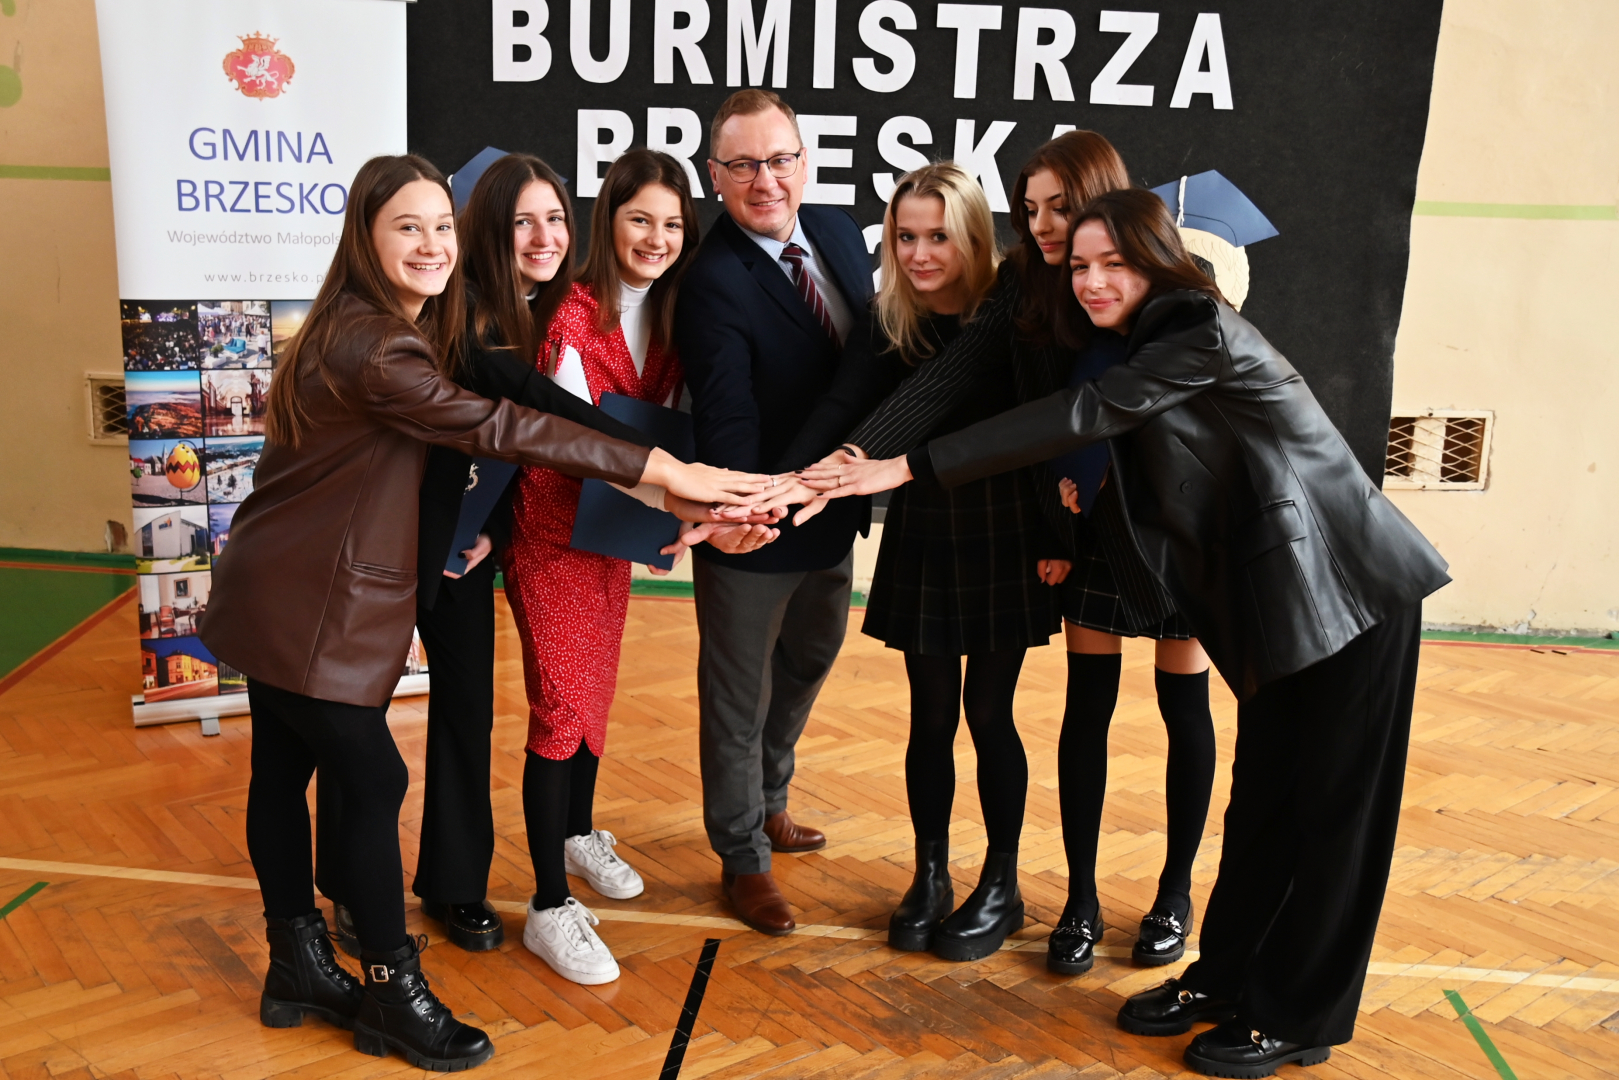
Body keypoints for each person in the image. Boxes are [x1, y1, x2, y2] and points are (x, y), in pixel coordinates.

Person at [800, 188, 1449, 1078]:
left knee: (1334, 820)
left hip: (1356, 594)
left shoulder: (1197, 329)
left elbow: (1084, 415)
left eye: (1115, 263)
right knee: (1260, 806)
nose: (1092, 280)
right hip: (1280, 608)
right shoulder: (1131, 343)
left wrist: (906, 466)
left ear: (1159, 262)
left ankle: (1297, 1018)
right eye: (1079, 265)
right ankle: (1223, 980)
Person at [200, 153, 766, 1072]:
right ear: (365, 237)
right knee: (373, 779)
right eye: (407, 227)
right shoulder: (377, 345)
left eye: (441, 227)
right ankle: (392, 993)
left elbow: (512, 405)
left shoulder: (385, 322)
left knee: (282, 774)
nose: (432, 245)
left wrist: (662, 480)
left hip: (273, 588)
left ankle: (296, 966)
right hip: (310, 607)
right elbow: (502, 426)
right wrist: (664, 469)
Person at [774, 131, 1217, 976]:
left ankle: (1170, 895)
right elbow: (949, 386)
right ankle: (1070, 899)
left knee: (1176, 709)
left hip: (1168, 524)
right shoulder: (1023, 284)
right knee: (1070, 712)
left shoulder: (1174, 296)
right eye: (1031, 208)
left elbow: (1113, 418)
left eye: (1061, 208)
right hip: (1078, 521)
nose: (1043, 225)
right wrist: (843, 468)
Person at [321, 153, 743, 960]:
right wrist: (666, 471)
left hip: (461, 544)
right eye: (523, 221)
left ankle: (453, 884)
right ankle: (346, 886)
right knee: (357, 716)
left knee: (467, 712)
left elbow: (517, 444)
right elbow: (538, 414)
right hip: (383, 542)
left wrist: (489, 524)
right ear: (487, 230)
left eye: (554, 218)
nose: (545, 236)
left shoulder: (537, 308)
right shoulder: (462, 308)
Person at [821, 163, 1066, 960]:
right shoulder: (892, 318)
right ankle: (929, 874)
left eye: (938, 237)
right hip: (926, 527)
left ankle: (1001, 883)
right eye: (905, 237)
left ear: (971, 237)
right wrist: (808, 478)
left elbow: (1032, 428)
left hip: (1005, 531)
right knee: (929, 714)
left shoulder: (1013, 309)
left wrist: (1057, 536)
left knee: (989, 713)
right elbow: (860, 409)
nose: (920, 254)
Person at [505, 148, 733, 985]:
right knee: (560, 707)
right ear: (609, 220)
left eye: (672, 224)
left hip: (615, 532)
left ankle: (577, 833)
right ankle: (547, 905)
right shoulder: (566, 313)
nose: (656, 237)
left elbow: (667, 427)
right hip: (553, 533)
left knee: (593, 697)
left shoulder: (673, 320)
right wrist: (684, 502)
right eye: (641, 218)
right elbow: (573, 443)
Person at [673, 88, 878, 935]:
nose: (766, 180)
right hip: (751, 521)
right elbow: (728, 423)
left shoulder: (836, 229)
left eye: (781, 159)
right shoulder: (711, 281)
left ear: (805, 161)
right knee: (737, 697)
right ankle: (741, 856)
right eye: (744, 164)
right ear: (714, 175)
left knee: (808, 661)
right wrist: (752, 508)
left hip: (832, 510)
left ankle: (769, 801)